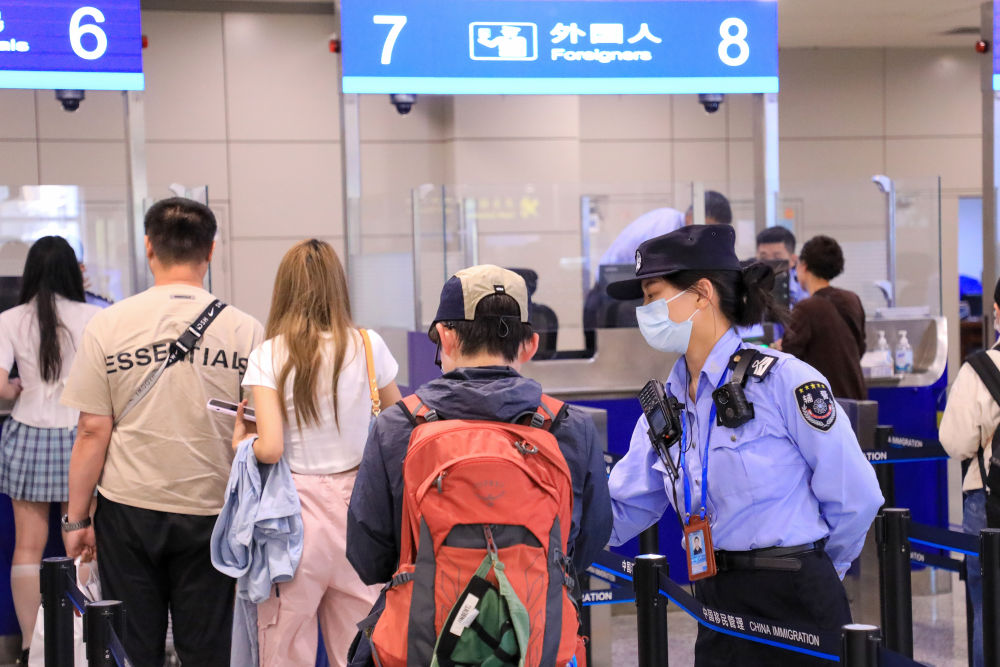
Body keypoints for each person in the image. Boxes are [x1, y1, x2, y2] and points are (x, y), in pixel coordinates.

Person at [605, 225, 882, 667]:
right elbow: (623, 506)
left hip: (796, 599)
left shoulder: (784, 382)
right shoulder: (668, 404)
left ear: (701, 294)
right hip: (715, 601)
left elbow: (856, 497)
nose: (644, 312)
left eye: (652, 296)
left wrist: (816, 568)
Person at [346, 265, 612, 664]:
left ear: (446, 337)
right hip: (535, 641)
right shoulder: (569, 427)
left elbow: (368, 557)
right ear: (531, 344)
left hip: (426, 643)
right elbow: (587, 541)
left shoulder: (399, 425)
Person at [60, 197, 264, 667]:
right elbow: (257, 427)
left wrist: (76, 520)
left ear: (149, 247)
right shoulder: (245, 330)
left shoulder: (108, 325)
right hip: (213, 509)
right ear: (210, 251)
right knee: (209, 649)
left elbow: (92, 430)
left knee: (131, 647)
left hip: (129, 508)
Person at [234, 239, 402, 666]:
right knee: (359, 649)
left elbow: (271, 448)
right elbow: (399, 426)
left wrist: (242, 444)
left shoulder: (269, 355)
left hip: (292, 523)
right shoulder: (368, 345)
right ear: (338, 286)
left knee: (285, 650)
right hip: (359, 517)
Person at [0, 237, 101, 665]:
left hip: (28, 433)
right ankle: (83, 641)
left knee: (27, 546)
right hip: (82, 435)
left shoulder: (9, 319)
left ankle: (31, 646)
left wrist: (17, 389)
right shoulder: (96, 316)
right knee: (82, 542)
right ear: (72, 272)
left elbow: (0, 386)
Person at [938, 277, 1000, 667]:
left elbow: (956, 442)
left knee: (990, 611)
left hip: (991, 501)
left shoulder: (981, 370)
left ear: (997, 311)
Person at [776, 235, 867, 400]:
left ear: (803, 266)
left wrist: (778, 348)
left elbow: (789, 358)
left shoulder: (805, 308)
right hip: (856, 396)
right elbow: (859, 348)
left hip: (824, 402)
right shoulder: (852, 299)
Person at [755, 226, 807, 306]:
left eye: (777, 258)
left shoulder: (805, 290)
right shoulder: (749, 287)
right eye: (763, 258)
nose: (770, 264)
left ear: (793, 260)